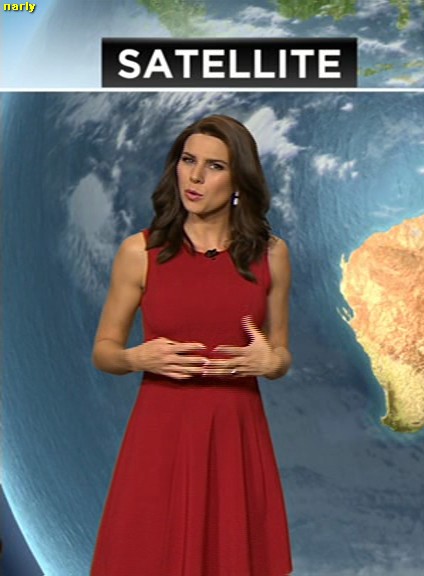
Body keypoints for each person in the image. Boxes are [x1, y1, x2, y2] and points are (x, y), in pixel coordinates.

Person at [90, 115, 293, 575]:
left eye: (214, 166)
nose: (195, 177)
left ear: (238, 180)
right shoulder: (139, 252)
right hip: (160, 431)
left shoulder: (272, 255)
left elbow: (281, 354)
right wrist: (133, 357)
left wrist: (271, 361)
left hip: (235, 435)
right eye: (188, 160)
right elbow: (104, 350)